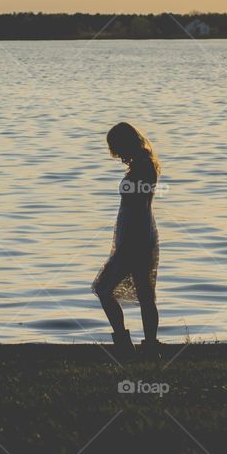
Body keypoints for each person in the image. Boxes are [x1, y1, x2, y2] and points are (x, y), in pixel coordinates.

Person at [92, 122, 162, 357]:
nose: (116, 153)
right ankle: (148, 345)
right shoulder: (143, 164)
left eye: (116, 147)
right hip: (139, 234)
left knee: (104, 288)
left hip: (135, 237)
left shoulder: (142, 167)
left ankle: (125, 343)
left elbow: (138, 205)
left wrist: (126, 242)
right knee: (144, 294)